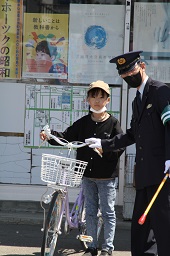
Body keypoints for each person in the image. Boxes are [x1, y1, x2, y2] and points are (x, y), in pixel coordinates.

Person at [85, 51, 170, 256]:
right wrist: (105, 143)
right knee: (141, 232)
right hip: (144, 175)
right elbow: (132, 134)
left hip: (162, 175)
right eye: (124, 74)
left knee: (164, 228)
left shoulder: (160, 91)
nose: (128, 76)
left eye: (131, 70)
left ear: (142, 66)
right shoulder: (137, 100)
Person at [40, 80, 124, 256]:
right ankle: (92, 247)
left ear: (108, 100)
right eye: (94, 96)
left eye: (102, 97)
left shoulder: (113, 123)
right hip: (87, 175)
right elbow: (66, 136)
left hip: (106, 177)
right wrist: (49, 136)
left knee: (108, 213)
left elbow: (120, 146)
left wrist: (105, 149)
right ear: (87, 99)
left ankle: (107, 249)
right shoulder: (83, 123)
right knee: (91, 212)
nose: (97, 101)